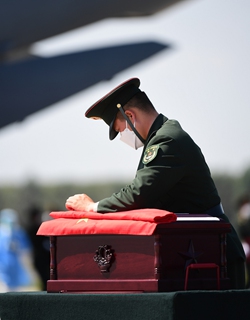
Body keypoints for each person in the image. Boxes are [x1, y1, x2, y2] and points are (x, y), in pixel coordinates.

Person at [65, 77, 246, 289]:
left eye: (120, 128)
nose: (123, 136)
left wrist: (92, 207)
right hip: (201, 247)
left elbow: (138, 193)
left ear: (130, 115)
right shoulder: (160, 138)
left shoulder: (166, 140)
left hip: (215, 251)